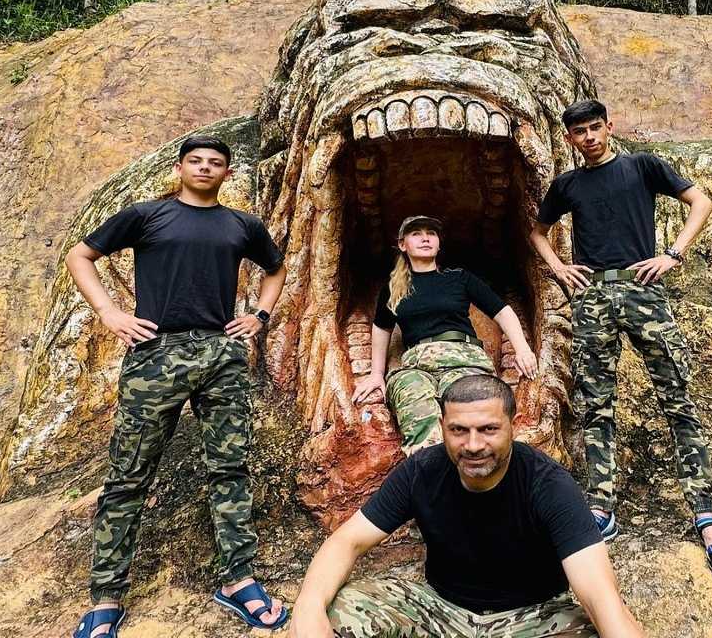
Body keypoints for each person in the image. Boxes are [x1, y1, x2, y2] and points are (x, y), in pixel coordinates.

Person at [66, 136, 290, 637]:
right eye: (197, 161)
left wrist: (258, 314)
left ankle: (238, 580)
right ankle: (106, 599)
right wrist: (109, 312)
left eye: (216, 163)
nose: (206, 168)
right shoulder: (146, 215)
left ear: (227, 174)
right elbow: (80, 256)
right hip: (156, 354)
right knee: (128, 476)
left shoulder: (242, 225)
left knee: (229, 469)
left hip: (220, 353)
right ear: (180, 167)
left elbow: (275, 269)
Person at [529, 99, 712, 581]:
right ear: (569, 139)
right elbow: (538, 231)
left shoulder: (642, 166)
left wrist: (672, 254)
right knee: (596, 403)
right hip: (590, 297)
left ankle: (705, 513)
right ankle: (602, 508)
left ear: (609, 127)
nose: (588, 137)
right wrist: (560, 267)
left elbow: (701, 202)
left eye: (594, 127)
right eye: (578, 132)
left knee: (679, 399)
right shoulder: (567, 185)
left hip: (643, 288)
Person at [290, 374, 648, 638]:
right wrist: (306, 609)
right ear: (442, 426)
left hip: (531, 618)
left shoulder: (549, 484)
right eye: (459, 430)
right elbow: (346, 541)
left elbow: (597, 594)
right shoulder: (422, 471)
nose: (473, 445)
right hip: (437, 611)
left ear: (512, 425)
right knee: (333, 609)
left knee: (608, 627)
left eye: (488, 429)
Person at [351, 215, 538, 455]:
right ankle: (431, 476)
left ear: (439, 244)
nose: (425, 238)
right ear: (402, 244)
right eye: (416, 233)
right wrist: (377, 374)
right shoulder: (393, 288)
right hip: (416, 368)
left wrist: (522, 349)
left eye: (431, 233)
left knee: (468, 411)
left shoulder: (459, 278)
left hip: (464, 362)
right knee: (417, 408)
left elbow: (502, 312)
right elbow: (382, 327)